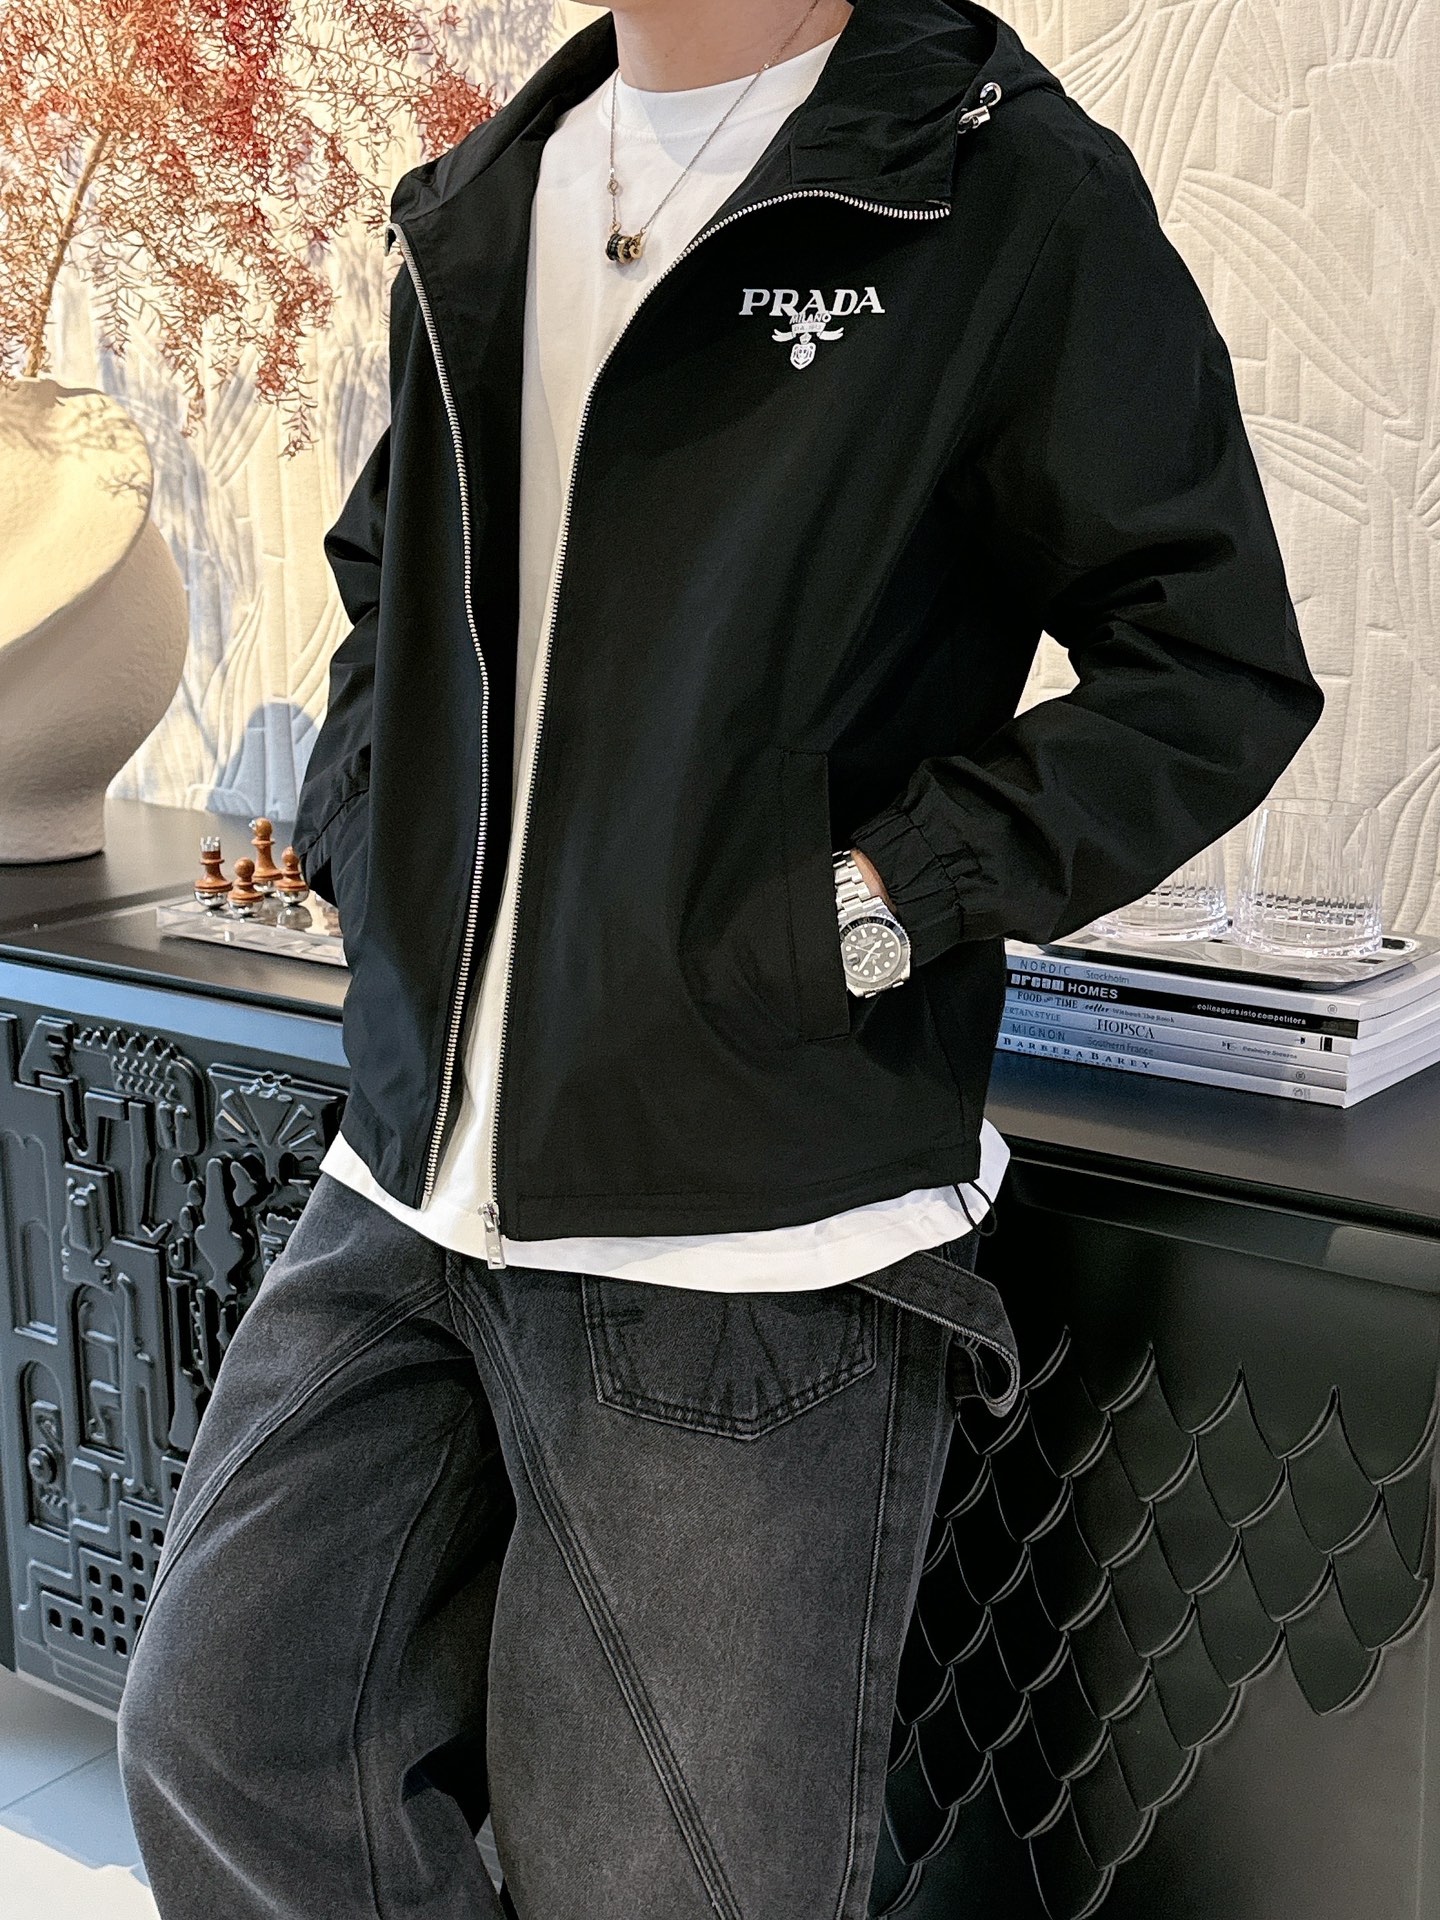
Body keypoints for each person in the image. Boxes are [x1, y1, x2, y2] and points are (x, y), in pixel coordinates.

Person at [116, 0, 1323, 1914]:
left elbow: (1211, 671)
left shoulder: (992, 191)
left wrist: (864, 901)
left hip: (748, 1227)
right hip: (412, 1176)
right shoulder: (489, 194)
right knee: (224, 1744)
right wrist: (369, 835)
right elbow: (385, 577)